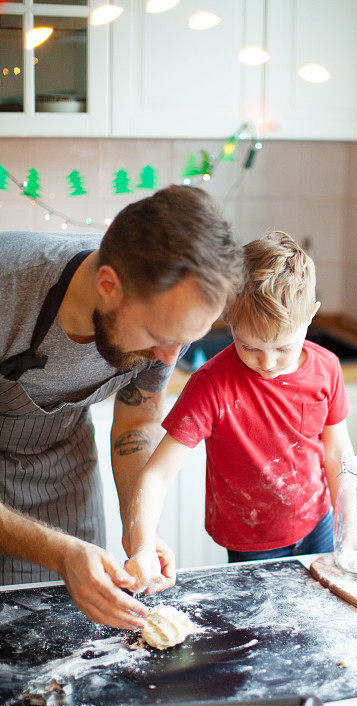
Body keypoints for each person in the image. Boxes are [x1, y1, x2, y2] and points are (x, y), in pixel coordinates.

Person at [0, 185, 243, 629]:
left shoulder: (164, 319)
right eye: (158, 336)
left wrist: (140, 529)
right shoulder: (7, 287)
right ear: (108, 285)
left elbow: (138, 418)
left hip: (62, 476)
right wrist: (60, 551)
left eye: (184, 340)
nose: (170, 359)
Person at [123, 231, 354, 592]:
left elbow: (338, 453)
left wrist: (349, 528)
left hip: (320, 524)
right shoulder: (213, 384)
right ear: (228, 317)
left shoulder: (327, 368)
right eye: (248, 346)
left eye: (283, 348)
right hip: (251, 540)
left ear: (310, 316)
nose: (266, 362)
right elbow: (157, 475)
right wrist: (141, 544)